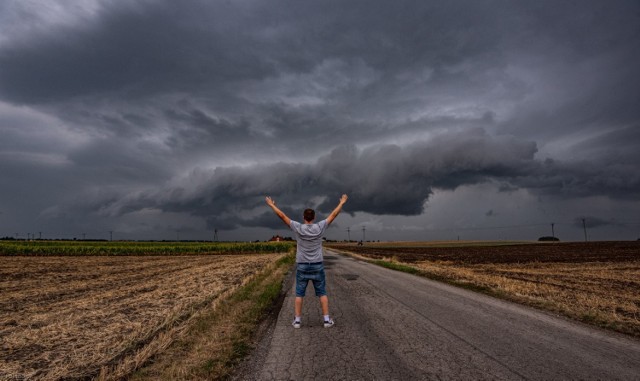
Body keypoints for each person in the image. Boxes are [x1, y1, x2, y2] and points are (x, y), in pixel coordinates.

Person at [265, 194, 348, 328]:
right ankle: (326, 320)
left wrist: (271, 205)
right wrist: (342, 203)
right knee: (322, 293)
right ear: (314, 218)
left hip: (302, 266)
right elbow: (333, 215)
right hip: (317, 265)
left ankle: (297, 321)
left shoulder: (298, 227)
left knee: (299, 294)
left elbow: (282, 216)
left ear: (304, 218)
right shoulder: (320, 227)